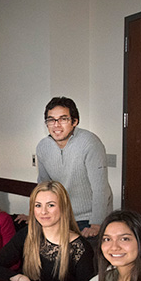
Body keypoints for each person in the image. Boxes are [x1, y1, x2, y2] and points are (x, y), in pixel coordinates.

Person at [0, 181, 95, 281]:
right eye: (38, 205)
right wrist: (20, 278)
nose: (43, 212)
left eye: (51, 205)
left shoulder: (80, 248)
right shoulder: (28, 234)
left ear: (63, 207)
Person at [28, 96, 113, 238]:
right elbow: (43, 186)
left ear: (75, 121)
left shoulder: (90, 143)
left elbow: (100, 188)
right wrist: (35, 215)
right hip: (60, 216)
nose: (56, 125)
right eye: (51, 120)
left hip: (88, 217)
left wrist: (97, 224)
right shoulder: (42, 147)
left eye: (63, 119)